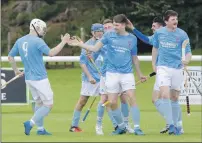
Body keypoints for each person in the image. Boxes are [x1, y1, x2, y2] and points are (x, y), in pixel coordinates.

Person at [68, 14, 147, 135]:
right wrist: (80, 45)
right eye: (113, 24)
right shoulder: (108, 36)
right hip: (111, 74)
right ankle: (120, 127)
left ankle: (137, 127)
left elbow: (134, 58)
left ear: (124, 25)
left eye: (117, 25)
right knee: (112, 102)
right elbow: (94, 48)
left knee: (131, 98)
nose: (114, 27)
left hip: (126, 74)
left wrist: (140, 73)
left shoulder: (132, 38)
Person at [8, 18, 70, 135]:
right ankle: (30, 123)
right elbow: (52, 53)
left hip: (29, 79)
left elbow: (10, 57)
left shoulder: (20, 40)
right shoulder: (37, 41)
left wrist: (16, 70)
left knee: (39, 103)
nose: (43, 31)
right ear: (35, 27)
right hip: (40, 78)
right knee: (48, 104)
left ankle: (40, 129)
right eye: (42, 29)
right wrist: (64, 41)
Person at [126, 17, 185, 134]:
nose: (151, 28)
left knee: (171, 98)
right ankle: (172, 122)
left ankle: (175, 124)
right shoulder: (159, 37)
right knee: (156, 99)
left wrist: (133, 28)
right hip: (162, 72)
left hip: (170, 71)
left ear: (161, 27)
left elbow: (146, 39)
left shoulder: (167, 35)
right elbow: (150, 43)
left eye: (154, 26)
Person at [152, 10, 192, 135]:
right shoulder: (159, 33)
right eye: (173, 19)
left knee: (174, 98)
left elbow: (188, 51)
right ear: (166, 21)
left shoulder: (182, 34)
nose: (176, 21)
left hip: (177, 68)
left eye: (176, 19)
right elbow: (155, 48)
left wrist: (187, 60)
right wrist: (154, 63)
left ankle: (177, 125)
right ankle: (171, 126)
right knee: (164, 95)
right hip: (163, 67)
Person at [95, 19, 134, 135]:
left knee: (123, 98)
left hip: (120, 73)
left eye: (109, 27)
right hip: (106, 74)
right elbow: (93, 52)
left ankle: (126, 124)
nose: (106, 30)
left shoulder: (120, 39)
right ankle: (98, 125)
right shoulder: (104, 41)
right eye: (104, 28)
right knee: (104, 100)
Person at [69, 23, 104, 132]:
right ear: (93, 33)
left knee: (107, 101)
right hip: (90, 78)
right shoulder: (87, 45)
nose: (100, 33)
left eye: (101, 31)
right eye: (98, 31)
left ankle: (117, 126)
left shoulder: (104, 43)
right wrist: (89, 77)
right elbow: (83, 63)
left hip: (102, 77)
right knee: (83, 101)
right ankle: (74, 126)